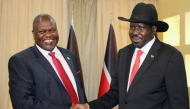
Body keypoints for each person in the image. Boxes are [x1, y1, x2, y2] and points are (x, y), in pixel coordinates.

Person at [72, 2, 189, 109]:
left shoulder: (170, 56)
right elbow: (115, 93)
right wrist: (88, 106)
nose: (135, 32)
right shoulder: (123, 54)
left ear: (153, 30)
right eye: (132, 27)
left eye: (140, 28)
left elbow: (179, 103)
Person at [8, 14, 87, 109]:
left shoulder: (70, 56)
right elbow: (22, 103)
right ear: (33, 34)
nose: (49, 35)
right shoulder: (21, 61)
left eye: (52, 30)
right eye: (42, 31)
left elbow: (79, 90)